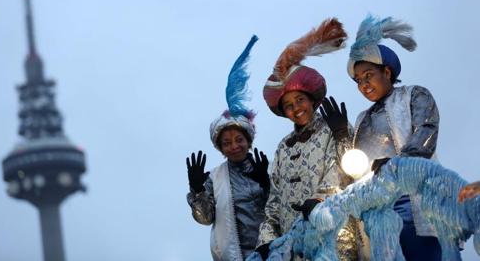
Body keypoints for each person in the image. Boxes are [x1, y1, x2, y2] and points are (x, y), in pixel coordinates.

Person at [320, 15, 442, 260]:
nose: (363, 85)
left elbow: (426, 131)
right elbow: (353, 168)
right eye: (358, 81)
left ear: (386, 71)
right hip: (375, 208)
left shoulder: (414, 95)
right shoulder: (363, 118)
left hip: (412, 198)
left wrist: (398, 164)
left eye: (368, 75)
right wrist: (342, 135)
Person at [256, 18, 364, 260]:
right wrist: (266, 240)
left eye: (300, 100)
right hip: (292, 246)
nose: (296, 108)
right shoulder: (283, 147)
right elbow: (275, 198)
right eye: (288, 105)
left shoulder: (334, 126)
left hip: (334, 233)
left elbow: (349, 171)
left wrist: (342, 135)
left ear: (311, 100)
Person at [186, 35, 270, 260]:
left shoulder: (264, 168)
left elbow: (281, 209)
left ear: (248, 141)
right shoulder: (215, 178)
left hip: (271, 252)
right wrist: (197, 190)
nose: (234, 146)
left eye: (239, 140)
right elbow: (205, 218)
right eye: (226, 142)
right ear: (220, 148)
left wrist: (267, 184)